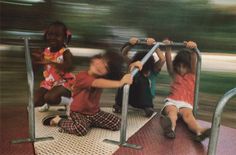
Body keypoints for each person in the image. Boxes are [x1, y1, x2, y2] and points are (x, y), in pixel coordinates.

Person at [42, 50, 134, 136]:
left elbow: (123, 75)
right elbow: (96, 83)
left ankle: (87, 122)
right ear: (95, 58)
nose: (100, 66)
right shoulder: (82, 76)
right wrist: (120, 83)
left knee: (117, 123)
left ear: (107, 73)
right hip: (78, 112)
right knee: (81, 129)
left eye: (106, 67)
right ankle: (59, 120)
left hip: (94, 113)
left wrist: (132, 66)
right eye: (102, 61)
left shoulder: (102, 78)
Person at [160, 40, 210, 142]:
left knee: (189, 117)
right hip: (172, 101)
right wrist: (168, 48)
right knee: (172, 112)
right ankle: (170, 129)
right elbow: (169, 61)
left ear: (189, 66)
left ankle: (199, 131)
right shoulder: (174, 74)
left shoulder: (192, 74)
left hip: (186, 104)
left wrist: (193, 49)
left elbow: (194, 60)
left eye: (184, 66)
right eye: (178, 66)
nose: (180, 69)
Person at [113, 37, 165, 117]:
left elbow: (162, 59)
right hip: (130, 97)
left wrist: (154, 46)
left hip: (144, 101)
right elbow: (123, 54)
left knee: (142, 80)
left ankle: (148, 108)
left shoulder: (153, 71)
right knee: (126, 78)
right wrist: (130, 44)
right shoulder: (134, 67)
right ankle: (119, 104)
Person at [32, 21, 75, 114]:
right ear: (46, 35)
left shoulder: (65, 52)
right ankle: (47, 102)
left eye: (57, 35)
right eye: (50, 34)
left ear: (64, 37)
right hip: (49, 83)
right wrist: (36, 61)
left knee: (50, 97)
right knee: (35, 101)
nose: (53, 38)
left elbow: (69, 67)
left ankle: (71, 102)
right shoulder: (45, 51)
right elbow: (34, 70)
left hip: (64, 83)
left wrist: (50, 62)